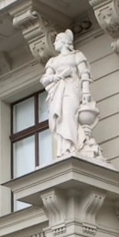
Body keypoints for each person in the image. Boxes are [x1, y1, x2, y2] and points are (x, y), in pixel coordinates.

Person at [41, 29, 96, 159]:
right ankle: (63, 149)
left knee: (69, 115)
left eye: (57, 41)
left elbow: (84, 73)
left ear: (64, 42)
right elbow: (44, 79)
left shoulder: (77, 55)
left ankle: (72, 146)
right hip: (58, 91)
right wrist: (58, 76)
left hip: (72, 88)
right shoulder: (53, 61)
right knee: (60, 119)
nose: (54, 44)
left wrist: (86, 91)